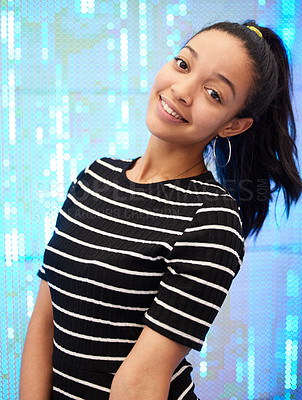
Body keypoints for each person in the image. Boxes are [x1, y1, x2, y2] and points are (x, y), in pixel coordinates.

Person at [19, 20, 302, 400]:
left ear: (233, 125)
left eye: (214, 93)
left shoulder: (212, 219)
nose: (182, 91)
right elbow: (44, 322)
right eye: (183, 65)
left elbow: (138, 384)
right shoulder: (94, 178)